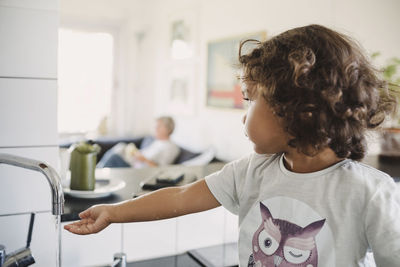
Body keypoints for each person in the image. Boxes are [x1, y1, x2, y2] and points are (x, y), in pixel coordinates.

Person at [65, 25, 400, 266]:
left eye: (250, 100)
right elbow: (182, 196)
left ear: (298, 108)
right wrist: (113, 212)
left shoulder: (369, 191)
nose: (244, 118)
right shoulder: (253, 170)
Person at [96, 116, 180, 168]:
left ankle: (98, 172)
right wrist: (136, 154)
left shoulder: (171, 147)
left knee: (114, 156)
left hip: (137, 170)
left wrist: (143, 159)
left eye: (158, 126)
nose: (155, 129)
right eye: (155, 126)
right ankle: (98, 170)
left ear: (167, 129)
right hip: (135, 163)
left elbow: (161, 168)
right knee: (120, 147)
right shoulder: (157, 142)